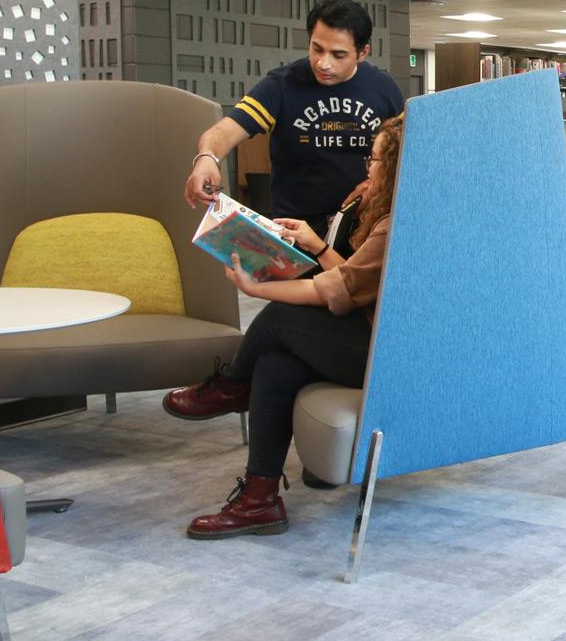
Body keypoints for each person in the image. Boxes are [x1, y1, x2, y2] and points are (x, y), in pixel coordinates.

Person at [163, 116, 403, 539]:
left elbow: (338, 288)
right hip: (376, 334)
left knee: (280, 317)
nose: (369, 167)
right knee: (274, 366)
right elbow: (360, 281)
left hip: (388, 351)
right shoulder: (393, 212)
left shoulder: (397, 223)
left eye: (379, 159)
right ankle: (260, 500)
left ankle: (232, 386)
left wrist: (258, 289)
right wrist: (316, 245)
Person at [183, 0, 405, 252]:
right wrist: (207, 157)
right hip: (294, 237)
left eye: (338, 55)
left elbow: (403, 153)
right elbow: (225, 131)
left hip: (362, 237)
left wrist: (374, 186)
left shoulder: (384, 90)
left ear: (363, 52)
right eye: (317, 49)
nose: (323, 63)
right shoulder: (282, 85)